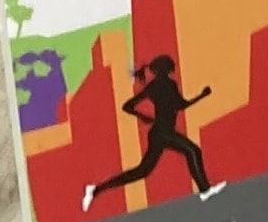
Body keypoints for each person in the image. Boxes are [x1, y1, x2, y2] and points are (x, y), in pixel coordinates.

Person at [82, 55, 221, 208]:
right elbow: (181, 105)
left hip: (159, 132)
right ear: (167, 68)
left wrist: (143, 117)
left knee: (142, 171)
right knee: (192, 150)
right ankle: (204, 190)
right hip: (163, 132)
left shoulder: (155, 86)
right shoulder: (167, 84)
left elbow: (128, 106)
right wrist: (201, 96)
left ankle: (96, 189)